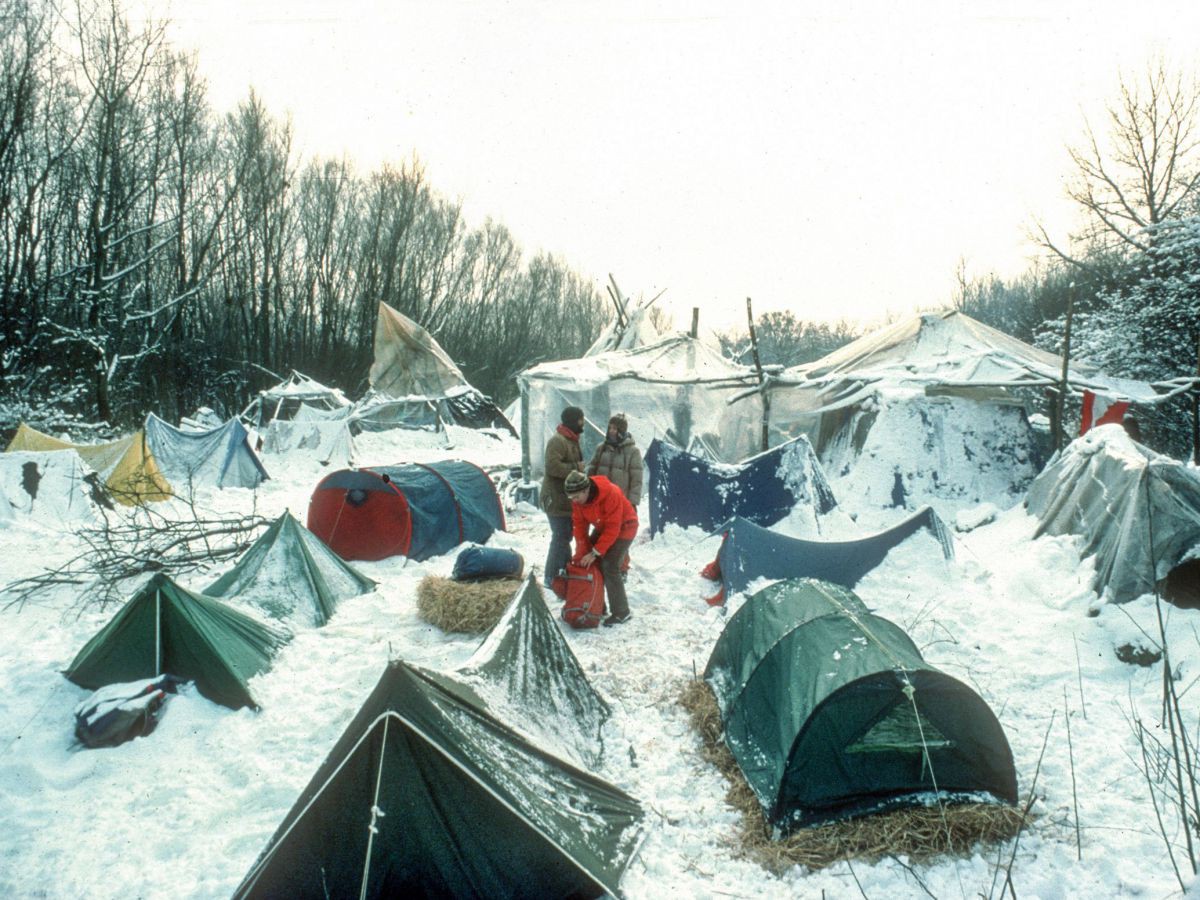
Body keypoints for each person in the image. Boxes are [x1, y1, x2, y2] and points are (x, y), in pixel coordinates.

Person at [564, 470, 638, 626]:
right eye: (571, 498)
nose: (574, 501)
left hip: (625, 527)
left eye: (576, 497)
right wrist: (582, 552)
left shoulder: (611, 493)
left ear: (586, 490)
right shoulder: (577, 499)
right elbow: (579, 526)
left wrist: (595, 552)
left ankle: (622, 612)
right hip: (603, 527)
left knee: (609, 565)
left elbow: (613, 527)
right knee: (589, 562)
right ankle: (596, 605)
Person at [541, 406, 586, 587]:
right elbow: (552, 467)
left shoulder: (571, 440)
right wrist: (576, 467)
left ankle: (562, 573)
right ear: (573, 421)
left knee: (565, 536)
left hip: (564, 500)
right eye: (580, 419)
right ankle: (551, 577)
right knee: (560, 536)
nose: (583, 423)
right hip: (555, 500)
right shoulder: (558, 441)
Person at [586, 413, 643, 506]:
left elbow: (636, 480)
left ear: (622, 430)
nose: (611, 431)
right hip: (601, 500)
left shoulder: (633, 451)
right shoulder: (601, 448)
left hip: (621, 502)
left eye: (615, 428)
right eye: (610, 428)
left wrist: (632, 503)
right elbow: (591, 471)